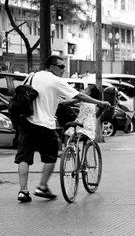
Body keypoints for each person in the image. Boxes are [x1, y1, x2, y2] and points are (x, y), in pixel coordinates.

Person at [14, 56, 109, 203]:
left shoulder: (31, 76)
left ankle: (23, 191)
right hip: (45, 125)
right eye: (61, 66)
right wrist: (100, 102)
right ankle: (42, 186)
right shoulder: (55, 80)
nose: (63, 69)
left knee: (24, 157)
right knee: (51, 156)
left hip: (27, 122)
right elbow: (79, 95)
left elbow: (23, 95)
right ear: (51, 66)